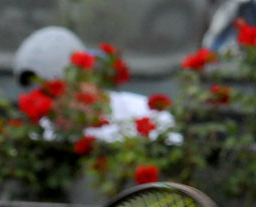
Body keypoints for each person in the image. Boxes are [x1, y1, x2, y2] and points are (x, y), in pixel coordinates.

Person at [13, 26, 177, 144]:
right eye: (40, 98)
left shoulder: (151, 116)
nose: (50, 107)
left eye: (54, 93)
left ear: (85, 75)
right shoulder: (39, 138)